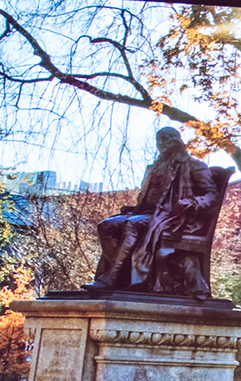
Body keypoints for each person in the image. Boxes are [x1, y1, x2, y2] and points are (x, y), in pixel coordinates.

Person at [86, 125, 214, 292]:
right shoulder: (153, 168)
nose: (161, 144)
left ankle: (112, 278)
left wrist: (194, 203)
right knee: (106, 225)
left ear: (176, 141)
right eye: (159, 140)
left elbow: (211, 194)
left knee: (131, 224)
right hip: (146, 214)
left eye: (165, 140)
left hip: (173, 218)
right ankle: (122, 276)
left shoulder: (193, 165)